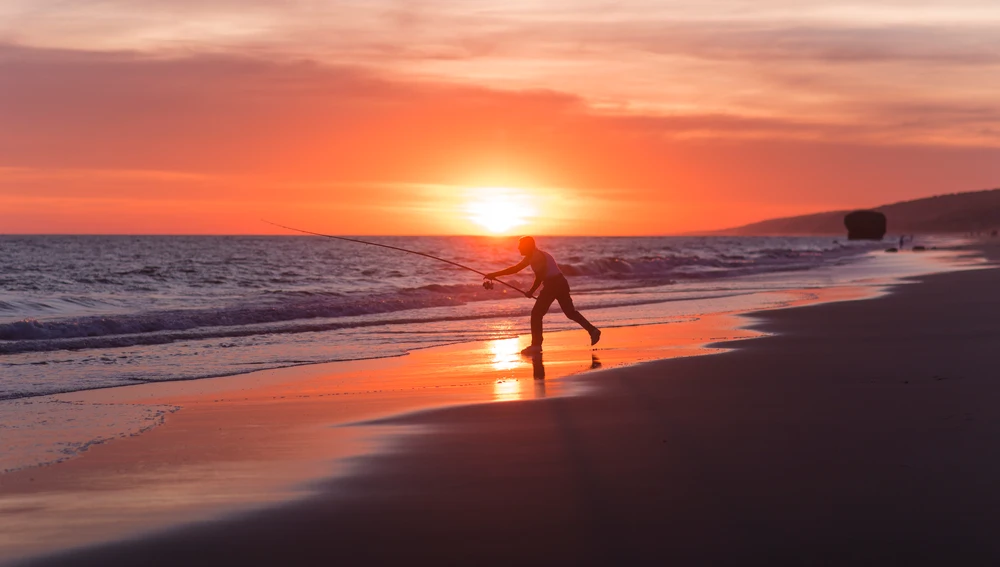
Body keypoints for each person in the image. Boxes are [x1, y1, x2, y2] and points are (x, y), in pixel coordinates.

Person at [485, 236, 601, 355]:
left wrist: (531, 291)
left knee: (536, 314)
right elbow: (515, 269)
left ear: (527, 246)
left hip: (553, 285)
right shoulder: (533, 256)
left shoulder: (537, 257)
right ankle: (593, 330)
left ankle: (536, 345)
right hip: (561, 283)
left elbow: (539, 277)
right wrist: (494, 275)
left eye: (521, 246)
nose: (518, 248)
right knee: (570, 313)